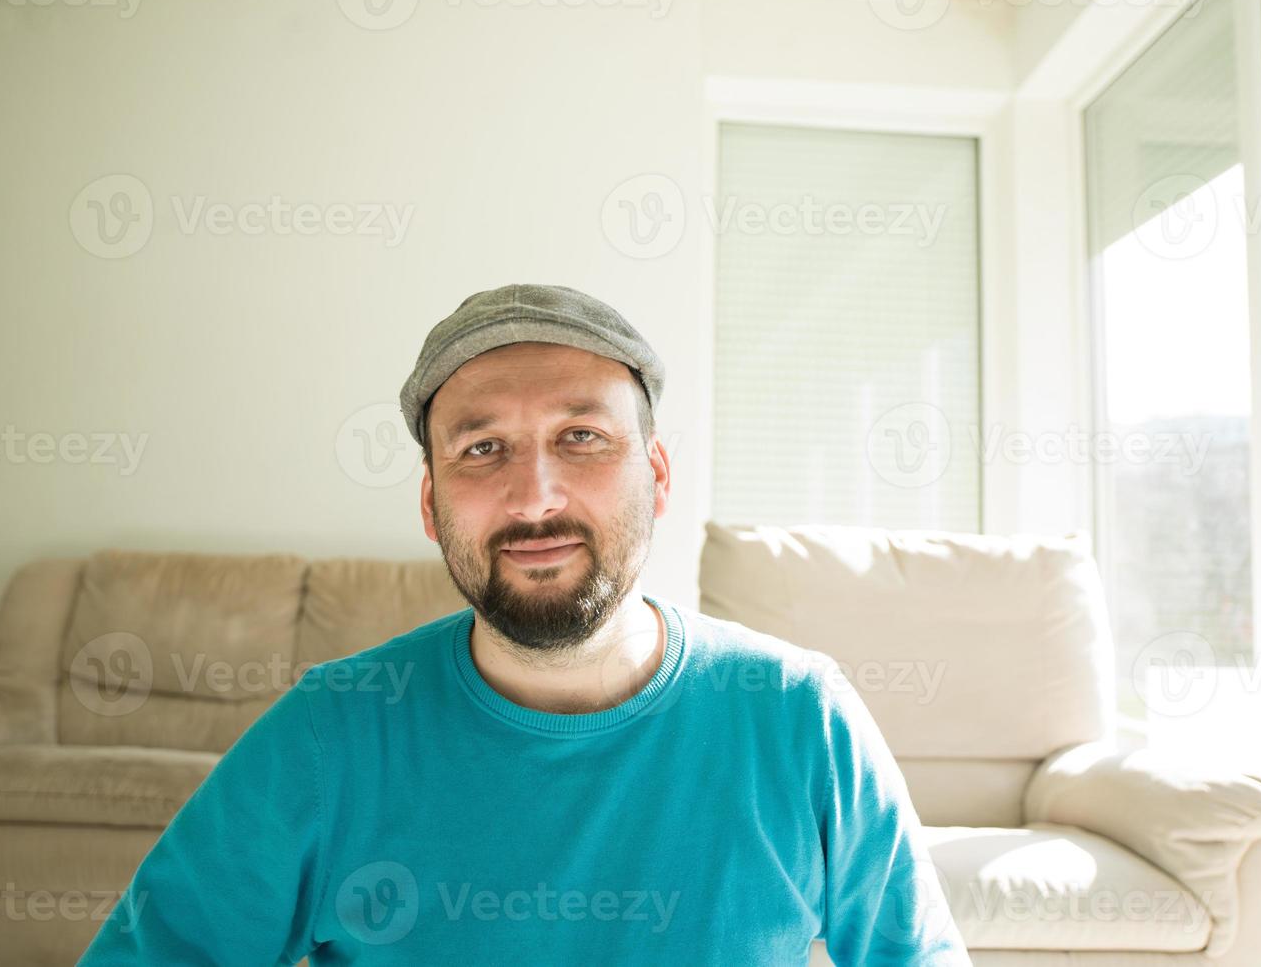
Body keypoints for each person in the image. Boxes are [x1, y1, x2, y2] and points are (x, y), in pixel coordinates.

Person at [79, 283, 971, 965]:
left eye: (581, 438)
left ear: (655, 476)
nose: (533, 496)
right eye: (481, 449)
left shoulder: (797, 715)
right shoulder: (328, 733)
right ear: (432, 505)